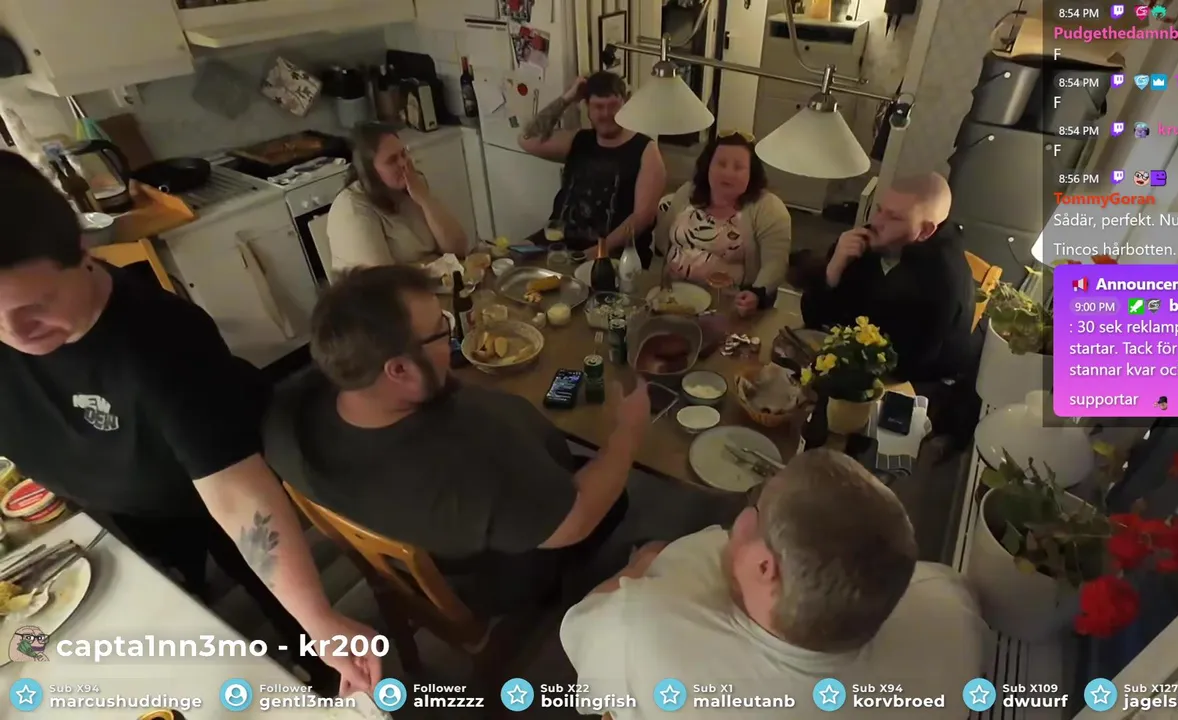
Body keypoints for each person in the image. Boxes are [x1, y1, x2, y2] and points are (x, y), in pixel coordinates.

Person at [0, 153, 379, 695]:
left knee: (281, 605)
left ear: (82, 250)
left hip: (199, 495)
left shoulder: (162, 339)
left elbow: (237, 496)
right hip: (102, 514)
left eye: (36, 304)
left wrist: (320, 623)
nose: (16, 334)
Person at [263, 265, 651, 616]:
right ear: (399, 370)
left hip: (412, 555)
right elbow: (576, 519)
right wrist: (628, 432)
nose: (450, 343)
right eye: (441, 332)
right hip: (482, 579)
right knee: (613, 498)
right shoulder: (471, 460)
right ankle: (547, 593)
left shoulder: (287, 413)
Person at [559, 450, 985, 718]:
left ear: (767, 568)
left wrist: (642, 565)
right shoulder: (953, 607)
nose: (743, 516)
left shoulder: (640, 630)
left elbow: (579, 632)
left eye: (757, 506)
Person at [801, 173, 974, 383]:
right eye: (879, 210)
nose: (876, 222)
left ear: (925, 231)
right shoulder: (864, 242)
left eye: (894, 217)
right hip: (855, 361)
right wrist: (833, 270)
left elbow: (906, 366)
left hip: (922, 385)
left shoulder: (943, 280)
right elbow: (814, 320)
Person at [520, 72, 666, 265]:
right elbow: (526, 138)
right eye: (598, 106)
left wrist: (596, 252)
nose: (606, 114)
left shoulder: (646, 150)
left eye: (613, 106)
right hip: (558, 243)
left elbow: (642, 217)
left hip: (613, 255)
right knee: (507, 259)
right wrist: (567, 99)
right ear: (587, 107)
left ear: (625, 103)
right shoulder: (578, 140)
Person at [654, 131, 792, 317]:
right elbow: (663, 241)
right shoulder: (687, 192)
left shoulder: (769, 208)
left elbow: (775, 265)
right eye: (721, 164)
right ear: (708, 166)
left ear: (751, 173)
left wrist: (756, 294)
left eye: (738, 167)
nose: (728, 173)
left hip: (729, 307)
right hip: (676, 298)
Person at [326, 122, 470, 273]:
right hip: (401, 286)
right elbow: (384, 280)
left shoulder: (413, 184)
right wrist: (438, 265)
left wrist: (425, 199)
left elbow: (458, 248)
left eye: (403, 153)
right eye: (392, 160)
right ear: (370, 171)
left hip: (433, 278)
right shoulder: (351, 207)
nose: (403, 163)